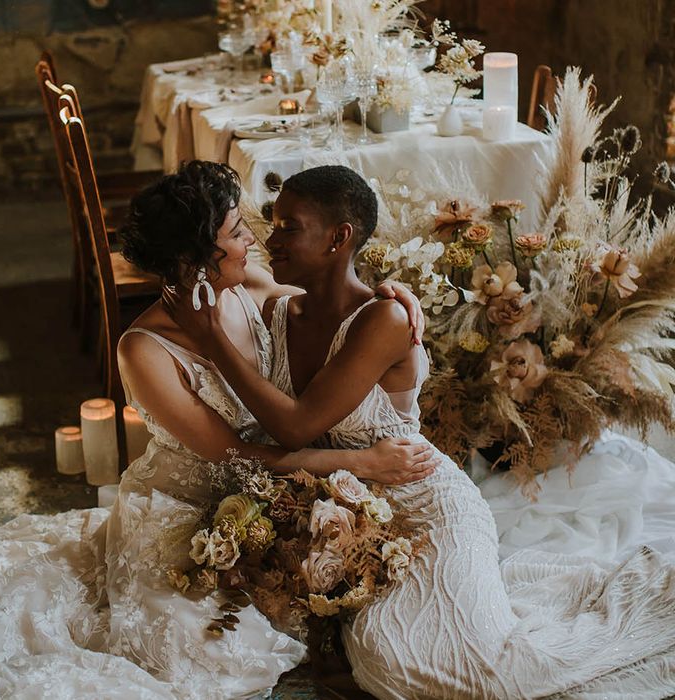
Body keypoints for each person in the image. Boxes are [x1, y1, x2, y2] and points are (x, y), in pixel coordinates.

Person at [0, 160, 439, 699]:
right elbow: (235, 454)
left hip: (268, 491)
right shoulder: (142, 351)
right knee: (207, 652)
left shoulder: (247, 284)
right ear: (193, 258)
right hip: (185, 505)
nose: (253, 240)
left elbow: (332, 295)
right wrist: (361, 463)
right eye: (236, 233)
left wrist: (390, 295)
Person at [165, 164, 675, 699]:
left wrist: (211, 340)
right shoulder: (277, 309)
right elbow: (208, 261)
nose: (271, 239)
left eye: (289, 226)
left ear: (340, 237)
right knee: (385, 661)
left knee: (485, 678)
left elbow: (295, 425)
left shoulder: (385, 319)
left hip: (428, 507)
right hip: (355, 521)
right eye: (271, 223)